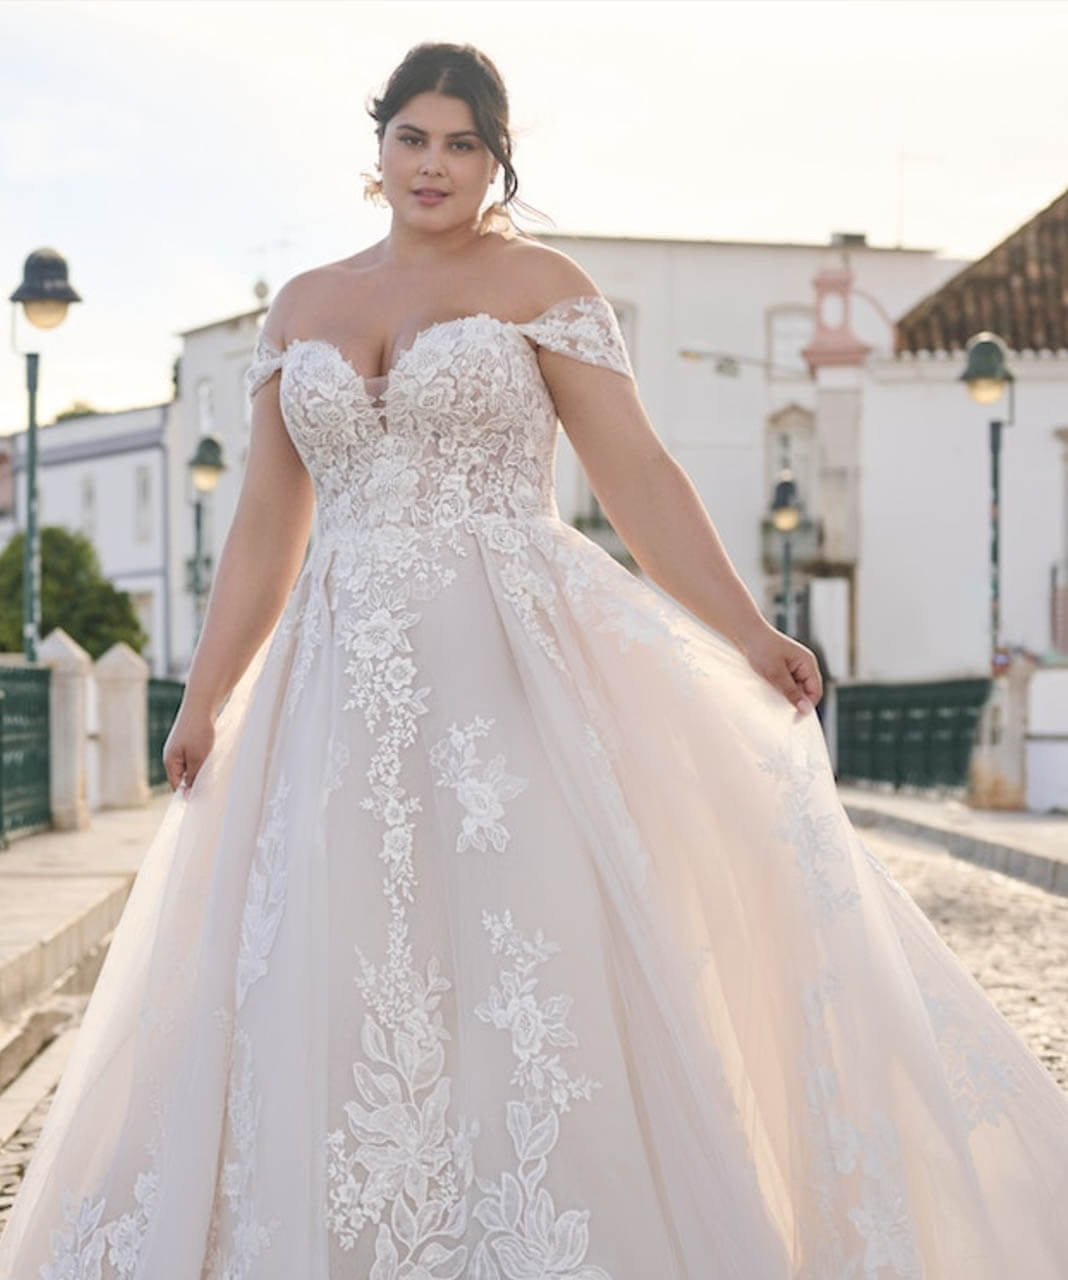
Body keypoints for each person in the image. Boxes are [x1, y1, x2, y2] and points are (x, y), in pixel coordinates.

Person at [2, 40, 1067, 1280]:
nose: (435, 165)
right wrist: (204, 695)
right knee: (337, 951)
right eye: (414, 138)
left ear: (497, 159)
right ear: (378, 147)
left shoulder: (542, 284)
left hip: (508, 663)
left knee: (522, 948)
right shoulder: (300, 307)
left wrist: (750, 629)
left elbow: (642, 478)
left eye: (464, 143)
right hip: (334, 685)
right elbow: (261, 532)